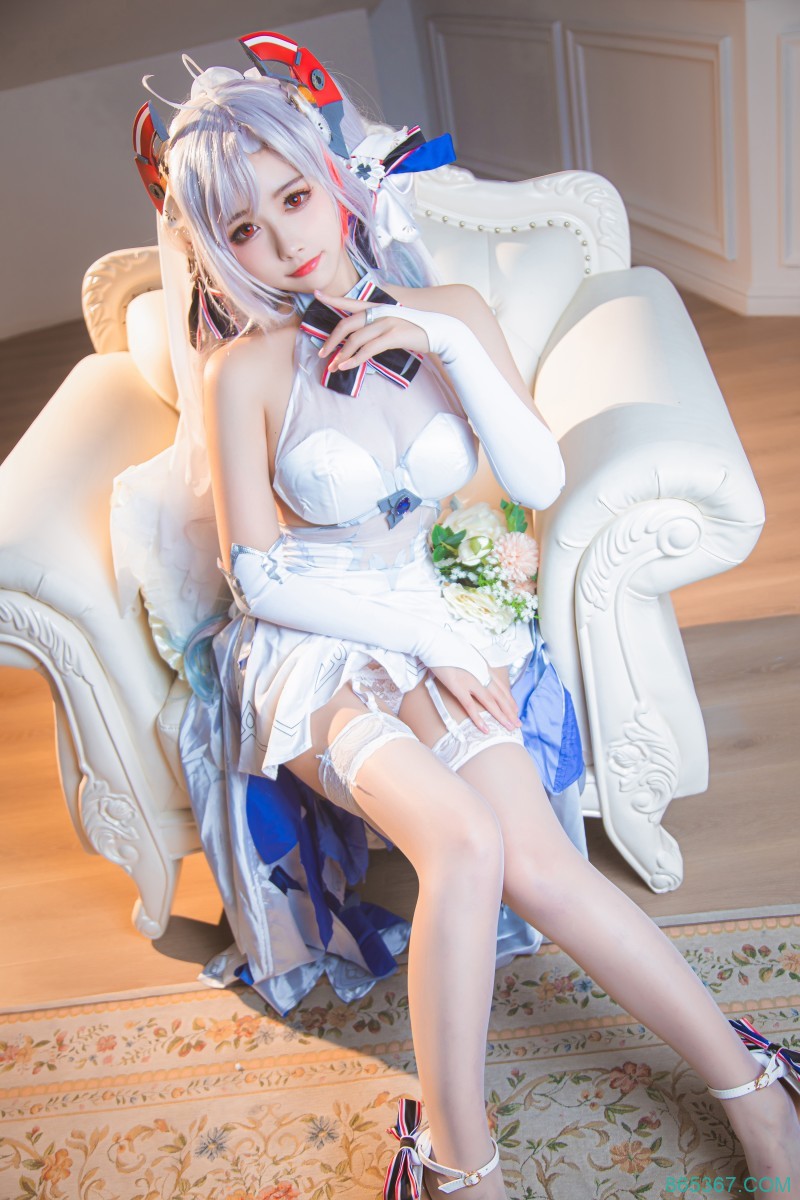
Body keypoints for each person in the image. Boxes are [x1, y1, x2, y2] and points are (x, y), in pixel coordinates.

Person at [118, 30, 800, 1200]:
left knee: (535, 863)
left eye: (293, 197)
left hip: (434, 604)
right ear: (217, 250)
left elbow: (535, 479)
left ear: (332, 178)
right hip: (315, 646)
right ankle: (459, 1163)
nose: (284, 240)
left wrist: (440, 339)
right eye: (243, 227)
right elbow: (260, 578)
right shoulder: (246, 373)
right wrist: (428, 639)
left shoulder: (450, 310)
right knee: (464, 841)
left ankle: (757, 1097)